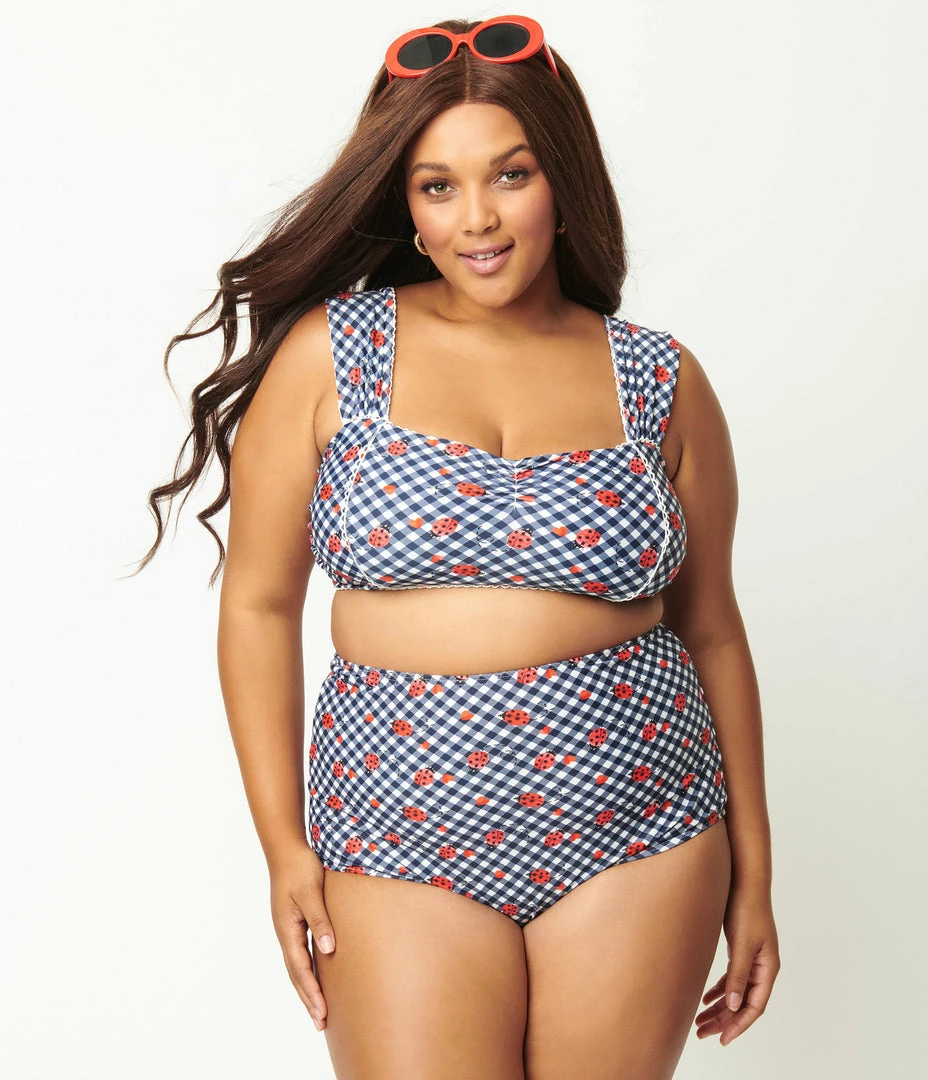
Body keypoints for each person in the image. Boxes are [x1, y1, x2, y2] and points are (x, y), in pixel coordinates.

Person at [138, 15, 779, 1078]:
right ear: (407, 203)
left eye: (510, 175)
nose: (477, 217)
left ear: (562, 178)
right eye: (438, 186)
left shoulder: (661, 379)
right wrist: (282, 846)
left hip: (640, 822)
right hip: (394, 830)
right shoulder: (332, 357)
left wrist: (755, 870)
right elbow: (257, 604)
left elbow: (712, 629)